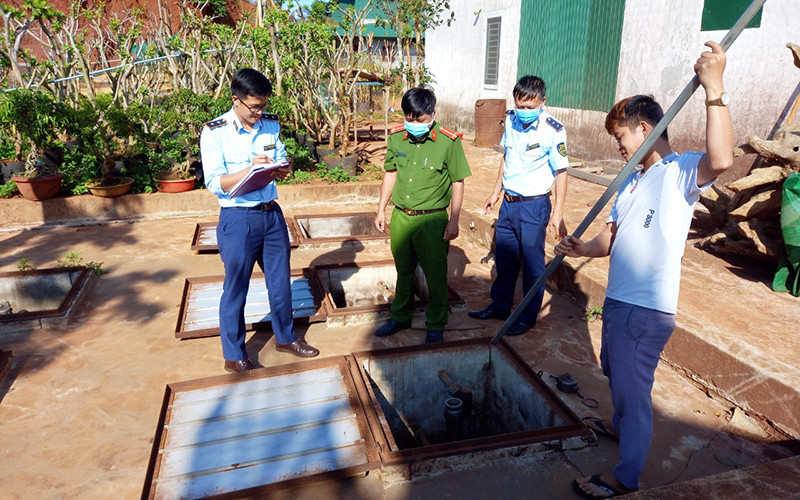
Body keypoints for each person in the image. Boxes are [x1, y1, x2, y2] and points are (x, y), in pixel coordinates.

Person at [555, 41, 733, 498]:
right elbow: (611, 239)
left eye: (621, 137)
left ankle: (624, 477)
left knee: (635, 396)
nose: (617, 146)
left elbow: (723, 160)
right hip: (618, 301)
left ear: (645, 128)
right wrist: (579, 249)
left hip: (645, 308)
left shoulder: (679, 173)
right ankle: (618, 427)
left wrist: (714, 89)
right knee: (615, 372)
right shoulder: (631, 183)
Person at [201, 68, 319, 373]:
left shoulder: (269, 126)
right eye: (254, 107)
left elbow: (279, 157)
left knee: (280, 283)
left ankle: (286, 337)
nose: (259, 112)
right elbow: (215, 182)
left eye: (263, 106)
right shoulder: (215, 132)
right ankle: (235, 354)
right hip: (238, 219)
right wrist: (249, 170)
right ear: (236, 100)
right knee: (236, 288)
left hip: (271, 216)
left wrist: (283, 168)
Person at [469, 75, 569, 335]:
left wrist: (557, 214)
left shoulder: (553, 130)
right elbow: (507, 158)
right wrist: (495, 192)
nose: (523, 112)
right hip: (509, 204)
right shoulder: (511, 121)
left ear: (542, 102)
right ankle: (500, 305)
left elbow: (561, 173)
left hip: (534, 207)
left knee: (533, 264)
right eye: (519, 105)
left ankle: (527, 315)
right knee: (505, 259)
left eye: (529, 106)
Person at [373, 87, 472, 343]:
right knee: (403, 270)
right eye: (409, 119)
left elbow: (458, 181)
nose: (414, 124)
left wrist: (454, 219)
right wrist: (382, 207)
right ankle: (400, 316)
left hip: (432, 219)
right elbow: (391, 172)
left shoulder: (449, 141)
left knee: (435, 273)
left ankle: (436, 322)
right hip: (402, 217)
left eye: (420, 119)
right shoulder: (396, 138)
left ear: (433, 114)